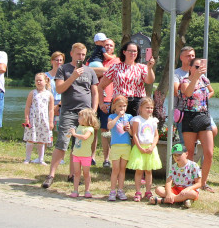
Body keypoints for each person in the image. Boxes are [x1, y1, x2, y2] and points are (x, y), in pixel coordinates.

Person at [43, 43, 99, 189]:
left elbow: (95, 92)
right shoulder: (63, 69)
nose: (80, 57)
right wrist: (73, 75)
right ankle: (51, 175)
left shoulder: (90, 71)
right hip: (68, 111)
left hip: (85, 113)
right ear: (71, 54)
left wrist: (93, 110)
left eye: (83, 54)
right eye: (78, 54)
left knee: (79, 145)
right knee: (62, 141)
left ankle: (73, 175)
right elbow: (60, 89)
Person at [179, 56, 215, 191]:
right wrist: (195, 78)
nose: (200, 69)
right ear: (190, 68)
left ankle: (203, 182)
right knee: (189, 153)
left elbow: (211, 91)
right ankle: (189, 181)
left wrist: (203, 98)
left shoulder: (205, 80)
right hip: (189, 117)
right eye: (196, 67)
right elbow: (187, 93)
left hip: (204, 115)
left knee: (209, 153)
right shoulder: (184, 80)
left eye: (201, 67)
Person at [99, 40, 155, 118]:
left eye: (135, 51)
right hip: (119, 102)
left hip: (137, 102)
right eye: (130, 51)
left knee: (136, 128)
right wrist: (101, 104)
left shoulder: (142, 67)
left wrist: (149, 68)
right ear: (124, 52)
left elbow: (150, 81)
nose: (132, 53)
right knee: (119, 128)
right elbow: (101, 86)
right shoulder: (115, 67)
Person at [128, 96, 162, 201]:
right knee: (139, 171)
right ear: (141, 108)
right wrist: (139, 147)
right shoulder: (137, 120)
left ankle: (148, 191)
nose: (149, 110)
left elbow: (156, 135)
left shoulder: (153, 121)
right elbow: (135, 135)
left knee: (148, 171)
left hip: (150, 148)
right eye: (147, 107)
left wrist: (152, 146)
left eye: (151, 108)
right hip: (140, 148)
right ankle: (138, 191)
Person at [92, 38, 119, 167]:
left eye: (110, 45)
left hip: (108, 99)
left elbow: (110, 72)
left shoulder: (116, 60)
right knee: (92, 129)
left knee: (105, 129)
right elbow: (86, 71)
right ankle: (90, 157)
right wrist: (103, 71)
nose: (107, 47)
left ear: (114, 48)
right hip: (92, 99)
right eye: (105, 45)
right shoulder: (95, 57)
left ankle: (106, 159)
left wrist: (98, 71)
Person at [22, 72, 54, 164]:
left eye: (40, 80)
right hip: (33, 119)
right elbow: (27, 106)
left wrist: (51, 122)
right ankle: (27, 158)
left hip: (43, 120)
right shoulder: (32, 93)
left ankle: (41, 159)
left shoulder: (49, 94)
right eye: (37, 81)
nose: (38, 82)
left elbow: (51, 109)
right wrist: (27, 119)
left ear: (45, 82)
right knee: (31, 139)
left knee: (42, 140)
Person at [66, 107, 97, 198]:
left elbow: (85, 137)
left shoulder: (90, 129)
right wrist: (71, 133)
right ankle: (75, 190)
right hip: (77, 154)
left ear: (86, 119)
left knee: (86, 173)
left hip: (86, 155)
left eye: (80, 117)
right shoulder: (79, 127)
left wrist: (75, 134)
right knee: (76, 173)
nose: (78, 119)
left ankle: (87, 190)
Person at [106, 95, 132, 201]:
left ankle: (120, 190)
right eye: (120, 106)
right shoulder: (112, 117)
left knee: (122, 169)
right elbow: (109, 126)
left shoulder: (129, 117)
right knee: (115, 169)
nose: (122, 108)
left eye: (124, 106)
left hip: (126, 145)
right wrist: (117, 117)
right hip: (116, 146)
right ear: (115, 107)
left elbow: (132, 133)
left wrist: (129, 129)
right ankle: (112, 190)